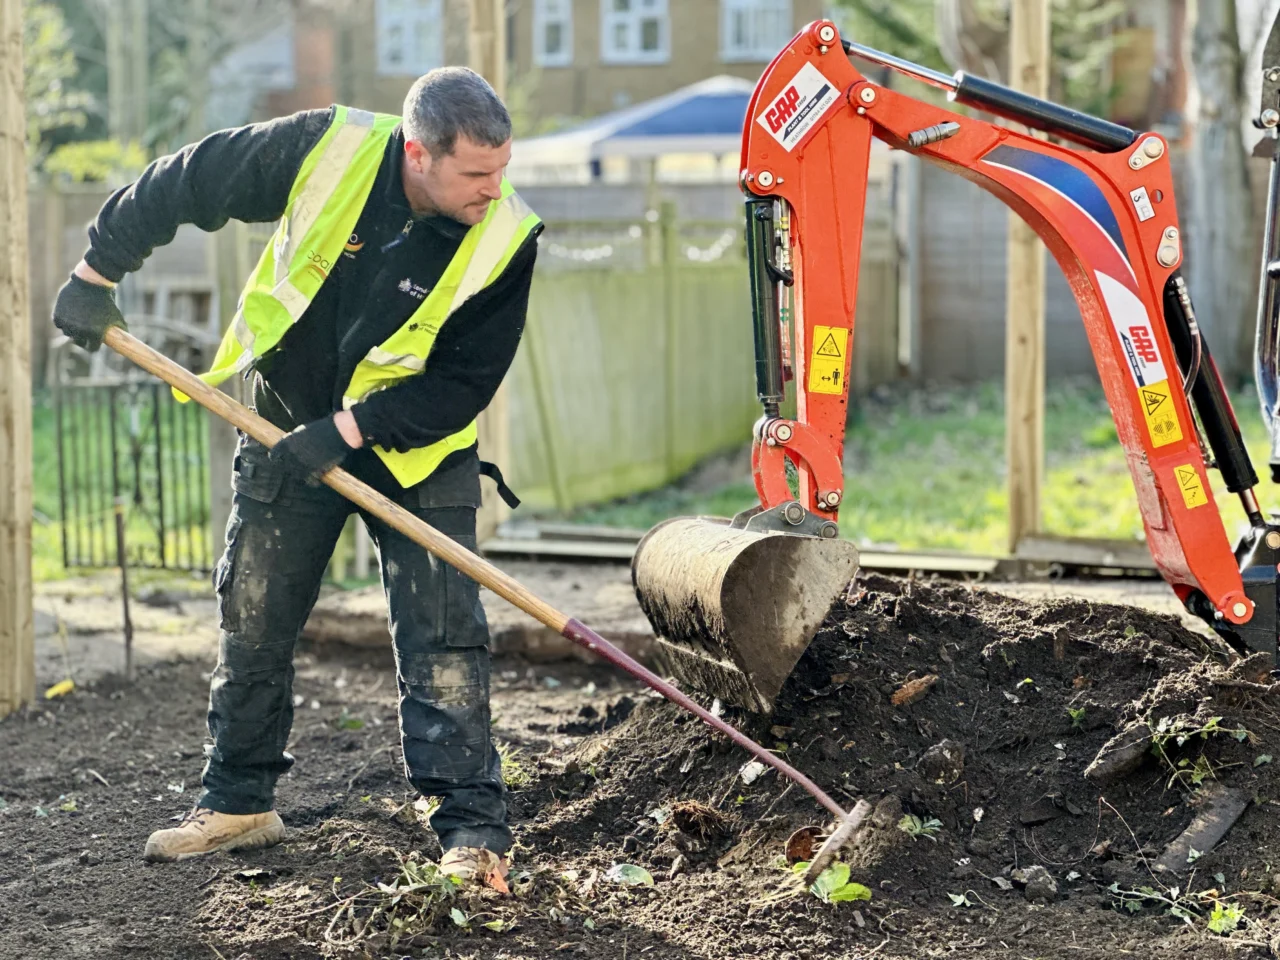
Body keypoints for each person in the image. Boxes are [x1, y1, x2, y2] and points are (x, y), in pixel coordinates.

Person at [51, 67, 541, 885]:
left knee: (444, 633)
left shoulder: (507, 235)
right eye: (477, 174)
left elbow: (465, 381)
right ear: (417, 153)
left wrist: (348, 432)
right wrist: (99, 270)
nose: (496, 188)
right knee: (253, 610)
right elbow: (193, 178)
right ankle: (238, 800)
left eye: (501, 169)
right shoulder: (329, 148)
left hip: (418, 449)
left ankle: (472, 829)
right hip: (283, 421)